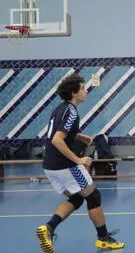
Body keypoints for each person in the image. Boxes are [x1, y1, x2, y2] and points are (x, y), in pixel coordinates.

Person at [37, 74, 125, 253]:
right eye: (83, 88)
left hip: (50, 166)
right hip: (65, 165)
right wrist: (79, 160)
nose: (86, 91)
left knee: (77, 197)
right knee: (93, 196)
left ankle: (49, 228)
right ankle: (104, 239)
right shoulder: (71, 111)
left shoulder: (61, 109)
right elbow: (57, 139)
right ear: (73, 93)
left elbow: (59, 131)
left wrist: (78, 135)